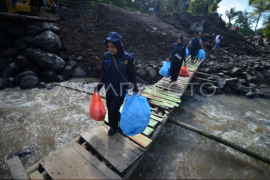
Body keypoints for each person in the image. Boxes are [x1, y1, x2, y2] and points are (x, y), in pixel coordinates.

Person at [96, 32, 138, 136]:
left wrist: (135, 88)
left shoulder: (128, 58)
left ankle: (114, 127)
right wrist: (99, 86)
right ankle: (120, 122)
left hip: (121, 89)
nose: (110, 49)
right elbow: (104, 73)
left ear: (118, 45)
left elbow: (132, 74)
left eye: (113, 47)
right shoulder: (106, 56)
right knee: (110, 108)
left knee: (114, 109)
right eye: (108, 47)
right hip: (109, 88)